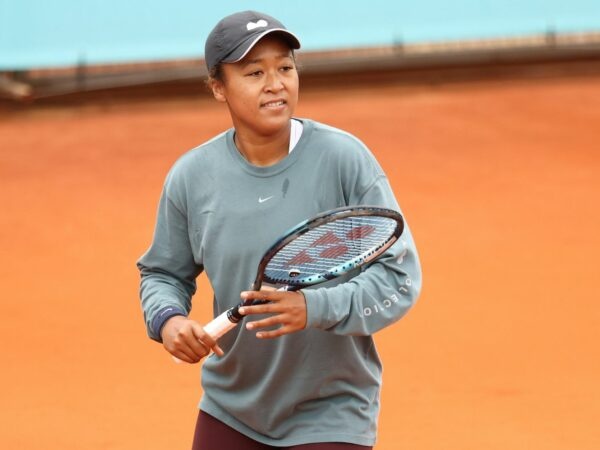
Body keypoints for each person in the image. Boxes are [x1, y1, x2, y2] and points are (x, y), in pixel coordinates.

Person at [137, 10, 422, 450]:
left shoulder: (345, 159)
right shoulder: (192, 177)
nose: (276, 83)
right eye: (254, 73)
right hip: (231, 408)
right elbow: (163, 273)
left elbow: (399, 278)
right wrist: (169, 320)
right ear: (218, 88)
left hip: (331, 413)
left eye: (285, 67)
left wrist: (314, 307)